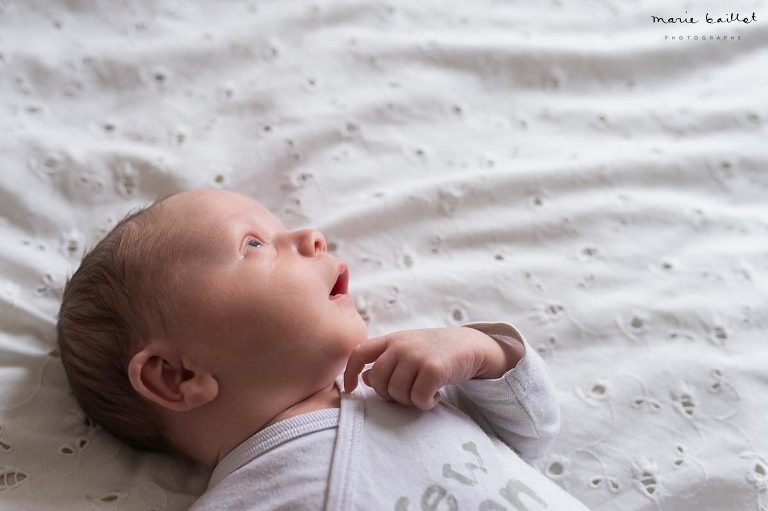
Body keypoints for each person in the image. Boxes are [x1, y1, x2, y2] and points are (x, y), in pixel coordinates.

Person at [57, 188, 590, 510]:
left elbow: (531, 435)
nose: (311, 236)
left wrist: (482, 355)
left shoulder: (403, 387)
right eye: (253, 244)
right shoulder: (254, 495)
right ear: (175, 375)